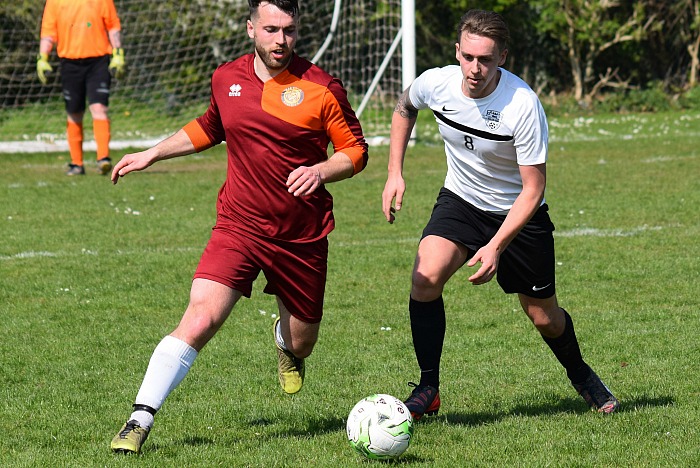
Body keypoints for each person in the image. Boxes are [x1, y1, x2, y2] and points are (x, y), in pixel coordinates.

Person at [109, 0, 368, 454]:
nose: (280, 40)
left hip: (301, 234)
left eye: (288, 30)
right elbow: (211, 126)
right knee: (201, 316)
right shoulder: (226, 78)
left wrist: (322, 171)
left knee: (303, 341)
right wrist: (152, 153)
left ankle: (285, 345)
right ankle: (139, 418)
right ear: (251, 28)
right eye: (271, 29)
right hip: (239, 225)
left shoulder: (323, 88)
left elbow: (356, 150)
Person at [381, 9, 619, 420]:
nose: (475, 68)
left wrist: (495, 246)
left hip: (517, 216)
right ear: (457, 51)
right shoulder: (436, 83)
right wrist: (394, 172)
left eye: (486, 59)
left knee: (544, 317)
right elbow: (405, 107)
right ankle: (428, 387)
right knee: (424, 278)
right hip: (461, 201)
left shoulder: (522, 105)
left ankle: (581, 374)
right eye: (469, 57)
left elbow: (533, 189)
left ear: (502, 57)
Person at [37, 0, 125, 176]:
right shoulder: (54, 2)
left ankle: (103, 159)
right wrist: (43, 58)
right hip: (69, 63)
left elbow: (113, 25)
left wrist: (118, 53)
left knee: (99, 108)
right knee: (74, 113)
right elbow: (48, 31)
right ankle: (76, 164)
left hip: (98, 61)